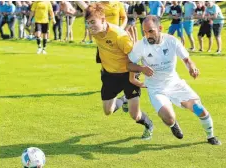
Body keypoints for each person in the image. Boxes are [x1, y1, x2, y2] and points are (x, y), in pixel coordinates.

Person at [128, 15, 221, 145]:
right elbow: (129, 64)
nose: (147, 35)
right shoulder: (140, 45)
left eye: (151, 31)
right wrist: (141, 68)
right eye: (144, 31)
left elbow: (187, 60)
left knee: (199, 109)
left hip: (175, 84)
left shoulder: (172, 41)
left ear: (160, 28)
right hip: (156, 89)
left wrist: (192, 68)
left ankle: (211, 136)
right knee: (169, 118)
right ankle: (173, 125)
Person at [84, 3, 153, 140]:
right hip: (110, 76)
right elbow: (84, 6)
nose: (90, 26)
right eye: (87, 23)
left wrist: (133, 79)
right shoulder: (96, 33)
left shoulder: (119, 36)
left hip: (128, 74)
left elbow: (134, 59)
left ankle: (148, 124)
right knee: (108, 111)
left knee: (135, 115)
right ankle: (124, 99)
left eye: (93, 22)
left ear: (103, 20)